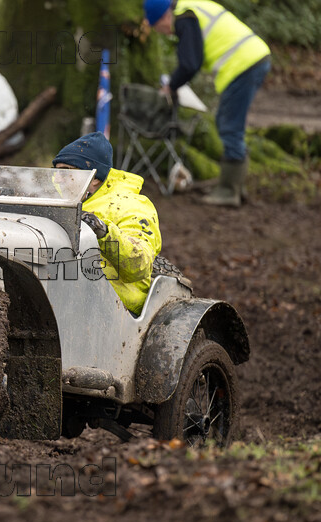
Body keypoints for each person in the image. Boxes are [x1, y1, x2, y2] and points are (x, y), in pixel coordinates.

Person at [143, 0, 271, 207]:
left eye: (159, 28)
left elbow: (189, 64)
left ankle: (229, 192)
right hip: (252, 58)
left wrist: (171, 86)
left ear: (164, 17)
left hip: (243, 64)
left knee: (230, 126)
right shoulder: (192, 8)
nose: (165, 33)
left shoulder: (185, 17)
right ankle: (234, 186)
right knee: (228, 123)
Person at [52, 132, 162, 315]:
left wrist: (102, 231)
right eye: (56, 170)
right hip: (64, 292)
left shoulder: (131, 205)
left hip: (116, 306)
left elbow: (139, 264)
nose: (57, 178)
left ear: (94, 178)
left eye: (66, 171)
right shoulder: (56, 200)